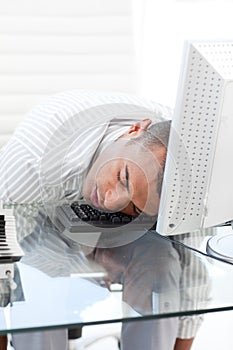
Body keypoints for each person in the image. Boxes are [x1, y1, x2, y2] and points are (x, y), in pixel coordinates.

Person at [0, 90, 207, 350]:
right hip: (45, 229)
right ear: (135, 130)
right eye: (123, 177)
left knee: (162, 263)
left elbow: (193, 274)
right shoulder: (34, 156)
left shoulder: (188, 176)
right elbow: (1, 258)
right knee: (39, 279)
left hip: (121, 237)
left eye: (135, 206)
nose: (112, 201)